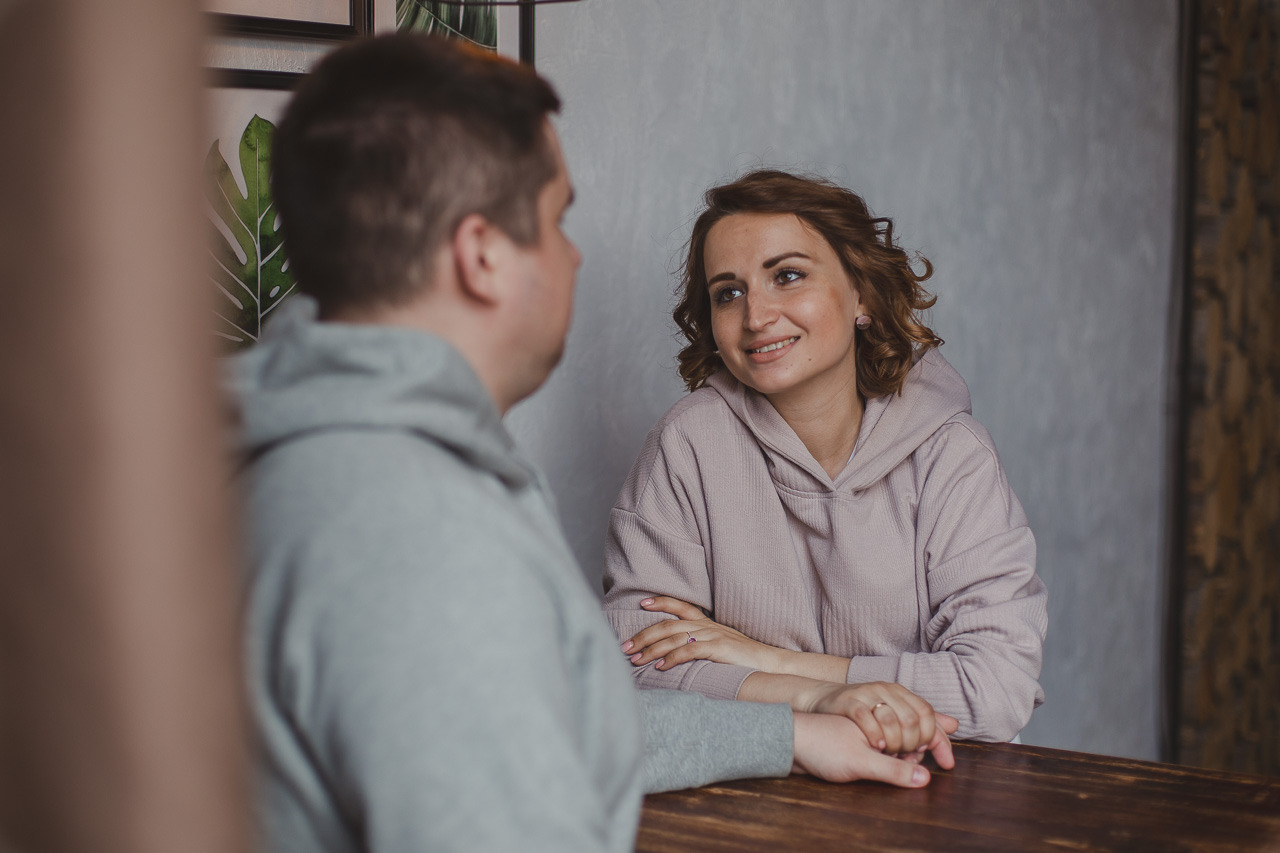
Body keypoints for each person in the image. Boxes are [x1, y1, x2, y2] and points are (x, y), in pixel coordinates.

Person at [230, 35, 956, 853]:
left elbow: (540, 721)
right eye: (556, 220)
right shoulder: (417, 529)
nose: (574, 255)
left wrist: (791, 730)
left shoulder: (334, 455)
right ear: (481, 256)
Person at [602, 170, 1048, 743]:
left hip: (935, 780)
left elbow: (995, 692)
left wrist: (768, 661)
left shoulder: (952, 455)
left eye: (787, 276)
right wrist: (818, 698)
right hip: (759, 779)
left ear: (862, 294)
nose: (756, 317)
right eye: (728, 293)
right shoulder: (686, 446)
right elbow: (634, 672)